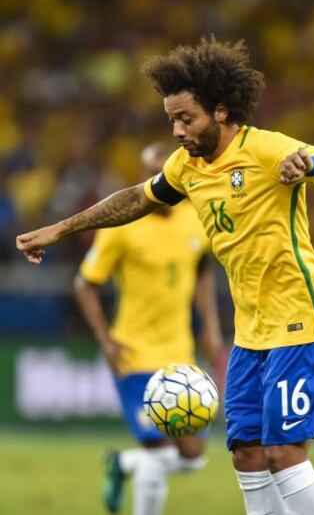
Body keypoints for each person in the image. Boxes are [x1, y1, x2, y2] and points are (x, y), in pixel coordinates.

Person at [17, 37, 314, 515]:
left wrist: (313, 164)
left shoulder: (263, 148)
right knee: (248, 455)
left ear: (220, 112)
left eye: (185, 119)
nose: (176, 130)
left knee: (284, 453)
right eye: (171, 119)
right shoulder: (187, 166)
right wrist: (62, 228)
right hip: (253, 332)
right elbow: (135, 198)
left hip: (306, 318)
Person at [73, 141, 224, 515]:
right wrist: (105, 340)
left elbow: (202, 270)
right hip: (135, 352)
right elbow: (84, 283)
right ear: (144, 178)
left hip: (180, 355)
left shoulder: (194, 218)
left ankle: (122, 465)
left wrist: (210, 327)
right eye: (155, 173)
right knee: (156, 450)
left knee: (192, 456)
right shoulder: (122, 225)